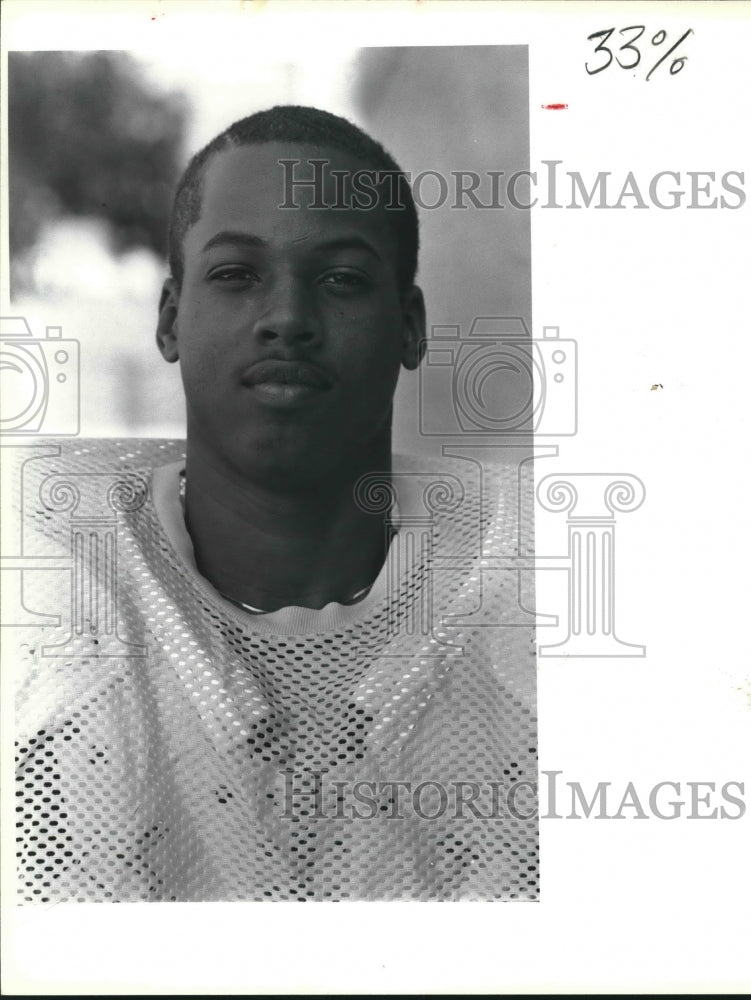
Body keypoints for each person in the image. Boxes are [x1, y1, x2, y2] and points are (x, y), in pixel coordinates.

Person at [13, 106, 538, 902]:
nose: (287, 320)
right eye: (235, 274)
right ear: (168, 319)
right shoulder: (48, 596)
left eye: (340, 279)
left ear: (410, 326)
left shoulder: (531, 595)